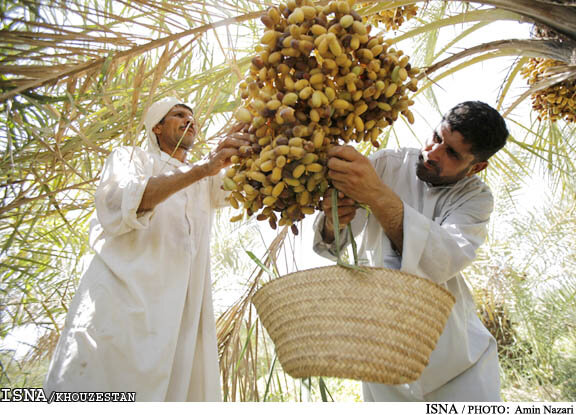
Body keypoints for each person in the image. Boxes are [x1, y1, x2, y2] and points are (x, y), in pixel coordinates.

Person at [44, 97, 251, 401]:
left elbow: (244, 184)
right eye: (179, 115)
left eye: (192, 117)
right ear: (156, 127)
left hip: (179, 319)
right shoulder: (130, 158)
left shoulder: (205, 179)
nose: (189, 120)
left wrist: (256, 132)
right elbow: (125, 200)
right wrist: (203, 168)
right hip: (122, 308)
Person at [313, 101, 509, 401]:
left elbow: (441, 260)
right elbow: (335, 242)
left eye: (452, 153)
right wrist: (333, 219)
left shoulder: (475, 199)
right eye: (436, 137)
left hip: (459, 368)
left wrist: (377, 196)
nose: (433, 152)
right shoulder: (386, 165)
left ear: (477, 167)